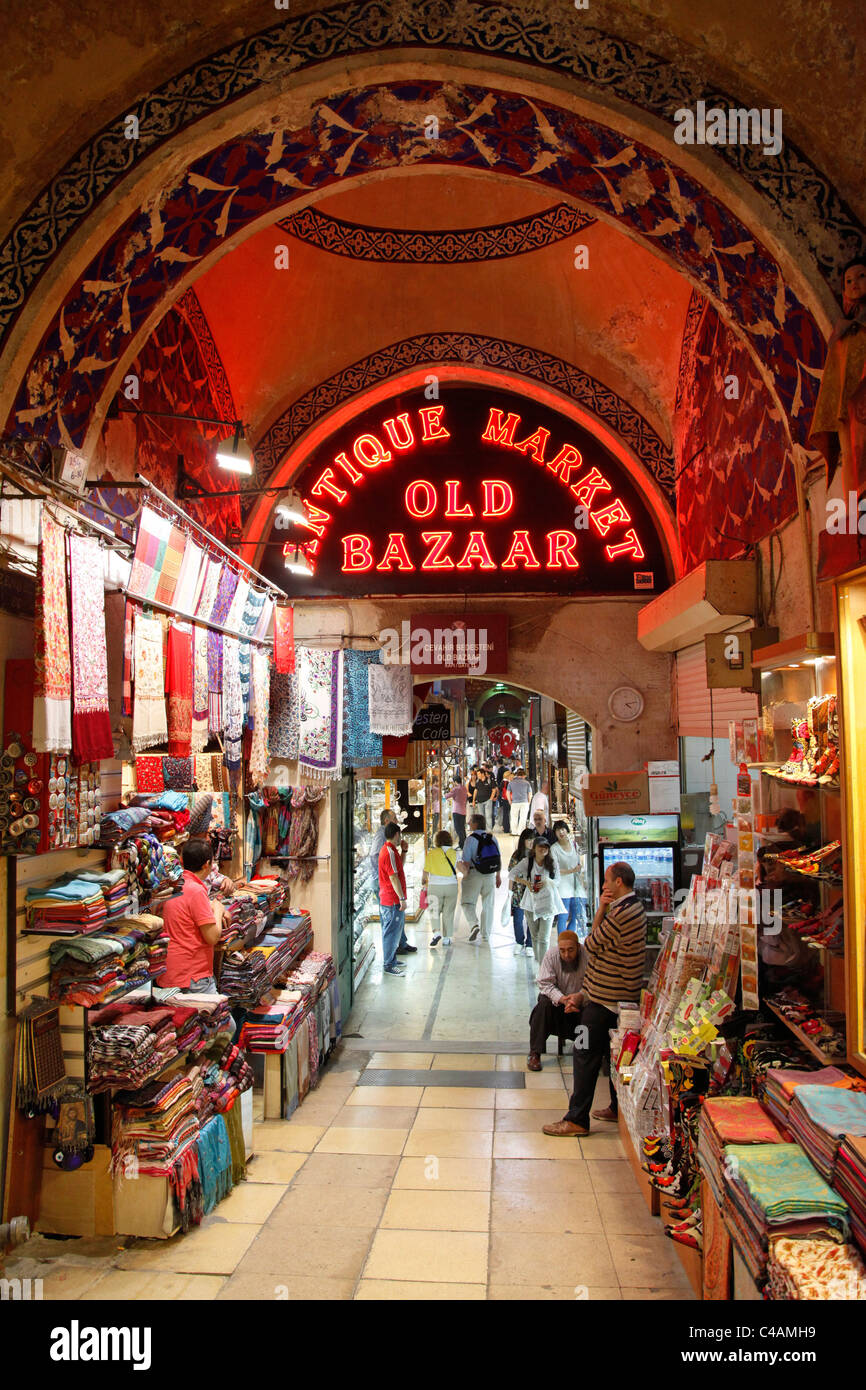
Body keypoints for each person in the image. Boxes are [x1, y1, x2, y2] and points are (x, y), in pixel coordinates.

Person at [543, 861, 647, 1137]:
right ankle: (615, 1106)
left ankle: (576, 1119)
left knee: (584, 1052)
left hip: (606, 1001)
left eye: (607, 881)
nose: (604, 886)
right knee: (614, 1054)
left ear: (619, 883)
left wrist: (601, 909)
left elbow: (589, 944)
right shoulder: (626, 908)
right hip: (604, 996)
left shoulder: (624, 913)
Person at [161, 838, 223, 993]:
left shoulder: (175, 886)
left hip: (170, 972)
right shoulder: (195, 890)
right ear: (207, 864)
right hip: (192, 976)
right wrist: (219, 909)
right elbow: (212, 937)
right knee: (216, 1016)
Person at [527, 930, 587, 1070]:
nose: (567, 955)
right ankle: (535, 1053)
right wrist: (562, 999)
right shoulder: (551, 956)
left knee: (592, 1013)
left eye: (571, 950)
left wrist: (579, 997)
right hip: (558, 1002)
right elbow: (544, 983)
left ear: (578, 947)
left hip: (580, 1001)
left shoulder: (588, 956)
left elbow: (593, 982)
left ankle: (585, 1053)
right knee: (543, 1006)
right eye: (563, 951)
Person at [509, 835, 565, 969]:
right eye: (540, 847)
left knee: (544, 938)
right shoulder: (527, 862)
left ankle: (543, 968)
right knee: (534, 936)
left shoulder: (552, 862)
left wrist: (547, 881)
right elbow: (512, 874)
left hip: (548, 902)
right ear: (534, 848)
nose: (543, 850)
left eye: (546, 847)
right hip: (531, 902)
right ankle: (540, 965)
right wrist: (526, 882)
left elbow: (558, 880)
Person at [369, 807, 416, 955]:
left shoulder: (391, 845)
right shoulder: (381, 837)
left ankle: (401, 942)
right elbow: (374, 856)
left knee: (397, 916)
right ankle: (392, 953)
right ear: (386, 821)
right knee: (389, 918)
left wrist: (404, 852)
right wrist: (382, 874)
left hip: (389, 882)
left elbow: (396, 866)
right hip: (383, 883)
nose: (397, 821)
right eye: (394, 819)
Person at [459, 813, 502, 943]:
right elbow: (498, 857)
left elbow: (466, 860)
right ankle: (486, 934)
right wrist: (498, 876)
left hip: (474, 874)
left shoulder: (470, 839)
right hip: (490, 875)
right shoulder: (492, 838)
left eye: (470, 821)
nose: (468, 823)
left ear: (476, 823)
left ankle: (473, 924)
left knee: (467, 902)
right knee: (488, 904)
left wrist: (464, 875)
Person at [378, 820, 409, 976]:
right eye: (400, 835)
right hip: (391, 900)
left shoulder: (392, 850)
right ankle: (388, 964)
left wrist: (404, 851)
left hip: (391, 898)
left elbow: (398, 869)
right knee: (391, 932)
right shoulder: (388, 852)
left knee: (393, 931)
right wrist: (401, 898)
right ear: (397, 834)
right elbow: (393, 877)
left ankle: (392, 959)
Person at [422, 829, 459, 947]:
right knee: (449, 912)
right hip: (451, 886)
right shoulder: (454, 853)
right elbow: (462, 869)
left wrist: (423, 884)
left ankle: (436, 932)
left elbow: (425, 873)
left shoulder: (431, 853)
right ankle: (446, 938)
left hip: (434, 886)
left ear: (436, 841)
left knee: (434, 911)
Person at [505, 826, 537, 953]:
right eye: (528, 840)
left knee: (531, 919)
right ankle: (519, 941)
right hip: (518, 892)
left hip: (533, 892)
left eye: (533, 840)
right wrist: (509, 893)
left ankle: (530, 943)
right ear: (523, 840)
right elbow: (511, 874)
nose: (531, 842)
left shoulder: (537, 855)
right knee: (518, 919)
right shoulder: (517, 855)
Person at [551, 820, 583, 934]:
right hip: (562, 886)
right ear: (555, 833)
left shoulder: (573, 843)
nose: (561, 832)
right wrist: (572, 870)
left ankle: (570, 939)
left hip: (575, 884)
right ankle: (562, 943)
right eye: (558, 830)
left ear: (567, 830)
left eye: (563, 829)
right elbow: (555, 870)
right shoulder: (554, 849)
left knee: (575, 915)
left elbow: (579, 861)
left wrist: (578, 871)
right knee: (563, 916)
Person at [446, 774, 468, 847]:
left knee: (458, 828)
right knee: (462, 828)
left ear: (455, 781)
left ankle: (462, 844)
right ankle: (464, 843)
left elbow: (447, 796)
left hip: (457, 811)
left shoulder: (456, 789)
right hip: (463, 811)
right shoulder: (464, 788)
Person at [508, 767, 532, 836]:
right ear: (523, 775)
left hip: (514, 802)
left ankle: (514, 831)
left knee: (514, 817)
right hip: (524, 802)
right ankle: (520, 832)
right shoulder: (527, 783)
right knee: (523, 817)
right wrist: (529, 802)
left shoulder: (511, 782)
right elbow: (530, 794)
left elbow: (508, 792)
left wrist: (510, 800)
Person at [473, 766, 497, 831]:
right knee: (481, 817)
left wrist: (491, 799)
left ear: (482, 774)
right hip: (479, 801)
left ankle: (489, 830)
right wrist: (473, 800)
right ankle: (482, 830)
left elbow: (494, 789)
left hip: (487, 801)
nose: (477, 776)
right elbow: (476, 790)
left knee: (488, 816)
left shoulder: (489, 780)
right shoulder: (478, 782)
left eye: (478, 774)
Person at [500, 768, 512, 834]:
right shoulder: (509, 783)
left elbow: (500, 790)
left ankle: (506, 828)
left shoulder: (502, 782)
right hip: (509, 799)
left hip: (504, 799)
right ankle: (509, 827)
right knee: (511, 814)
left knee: (505, 814)